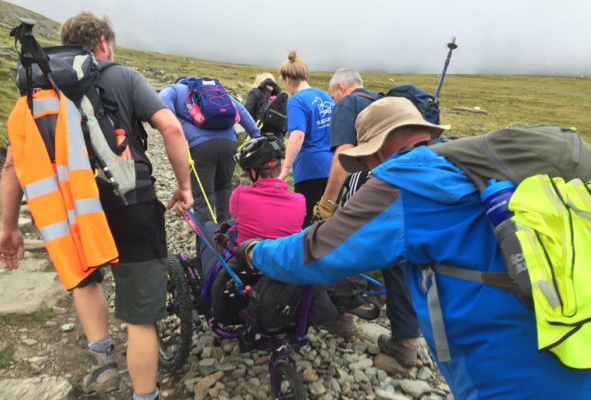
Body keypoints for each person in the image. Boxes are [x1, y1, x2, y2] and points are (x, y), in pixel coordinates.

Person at [236, 97, 591, 399]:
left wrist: (253, 252)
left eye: (365, 159)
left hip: (509, 368)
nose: (368, 169)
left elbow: (315, 253)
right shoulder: (473, 164)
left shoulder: (405, 181)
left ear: (380, 146)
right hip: (575, 337)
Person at [0, 11, 192, 400]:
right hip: (131, 200)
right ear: (103, 42)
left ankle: (103, 364)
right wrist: (184, 187)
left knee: (84, 280)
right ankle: (144, 395)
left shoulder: (36, 88)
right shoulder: (123, 76)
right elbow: (170, 127)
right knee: (140, 314)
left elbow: (13, 164)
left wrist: (8, 228)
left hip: (71, 207)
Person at [318, 68, 421, 363]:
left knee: (343, 243)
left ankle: (342, 316)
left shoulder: (346, 105)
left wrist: (327, 203)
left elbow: (343, 157)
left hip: (372, 187)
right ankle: (406, 340)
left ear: (340, 88)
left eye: (332, 94)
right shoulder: (382, 101)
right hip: (406, 187)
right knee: (397, 260)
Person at [193, 134, 306, 281]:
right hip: (282, 269)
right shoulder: (300, 200)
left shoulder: (240, 195)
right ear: (280, 169)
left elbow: (235, 214)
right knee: (233, 224)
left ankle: (205, 281)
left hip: (244, 268)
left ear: (253, 172)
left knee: (207, 226)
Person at [160, 78, 261, 224]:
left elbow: (163, 107)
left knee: (202, 198)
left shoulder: (173, 90)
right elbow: (241, 110)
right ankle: (226, 239)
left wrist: (177, 136)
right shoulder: (216, 91)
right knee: (225, 187)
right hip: (230, 144)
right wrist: (257, 137)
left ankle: (209, 244)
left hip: (200, 147)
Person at [277, 50, 335, 228]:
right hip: (332, 165)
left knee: (304, 219)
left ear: (287, 80)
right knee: (327, 219)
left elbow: (298, 134)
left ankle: (304, 255)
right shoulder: (326, 96)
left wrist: (285, 167)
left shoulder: (296, 100)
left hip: (310, 167)